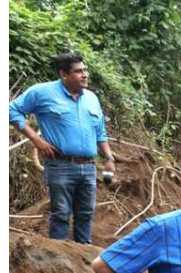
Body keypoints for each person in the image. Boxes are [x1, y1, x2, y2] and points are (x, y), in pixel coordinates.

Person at [9, 52, 116, 244]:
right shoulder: (42, 92)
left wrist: (108, 158)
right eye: (78, 71)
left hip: (89, 167)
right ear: (64, 74)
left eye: (85, 70)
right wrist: (36, 139)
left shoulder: (91, 98)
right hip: (60, 165)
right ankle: (58, 260)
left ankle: (84, 256)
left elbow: (100, 131)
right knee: (61, 214)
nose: (85, 75)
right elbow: (12, 110)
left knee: (85, 214)